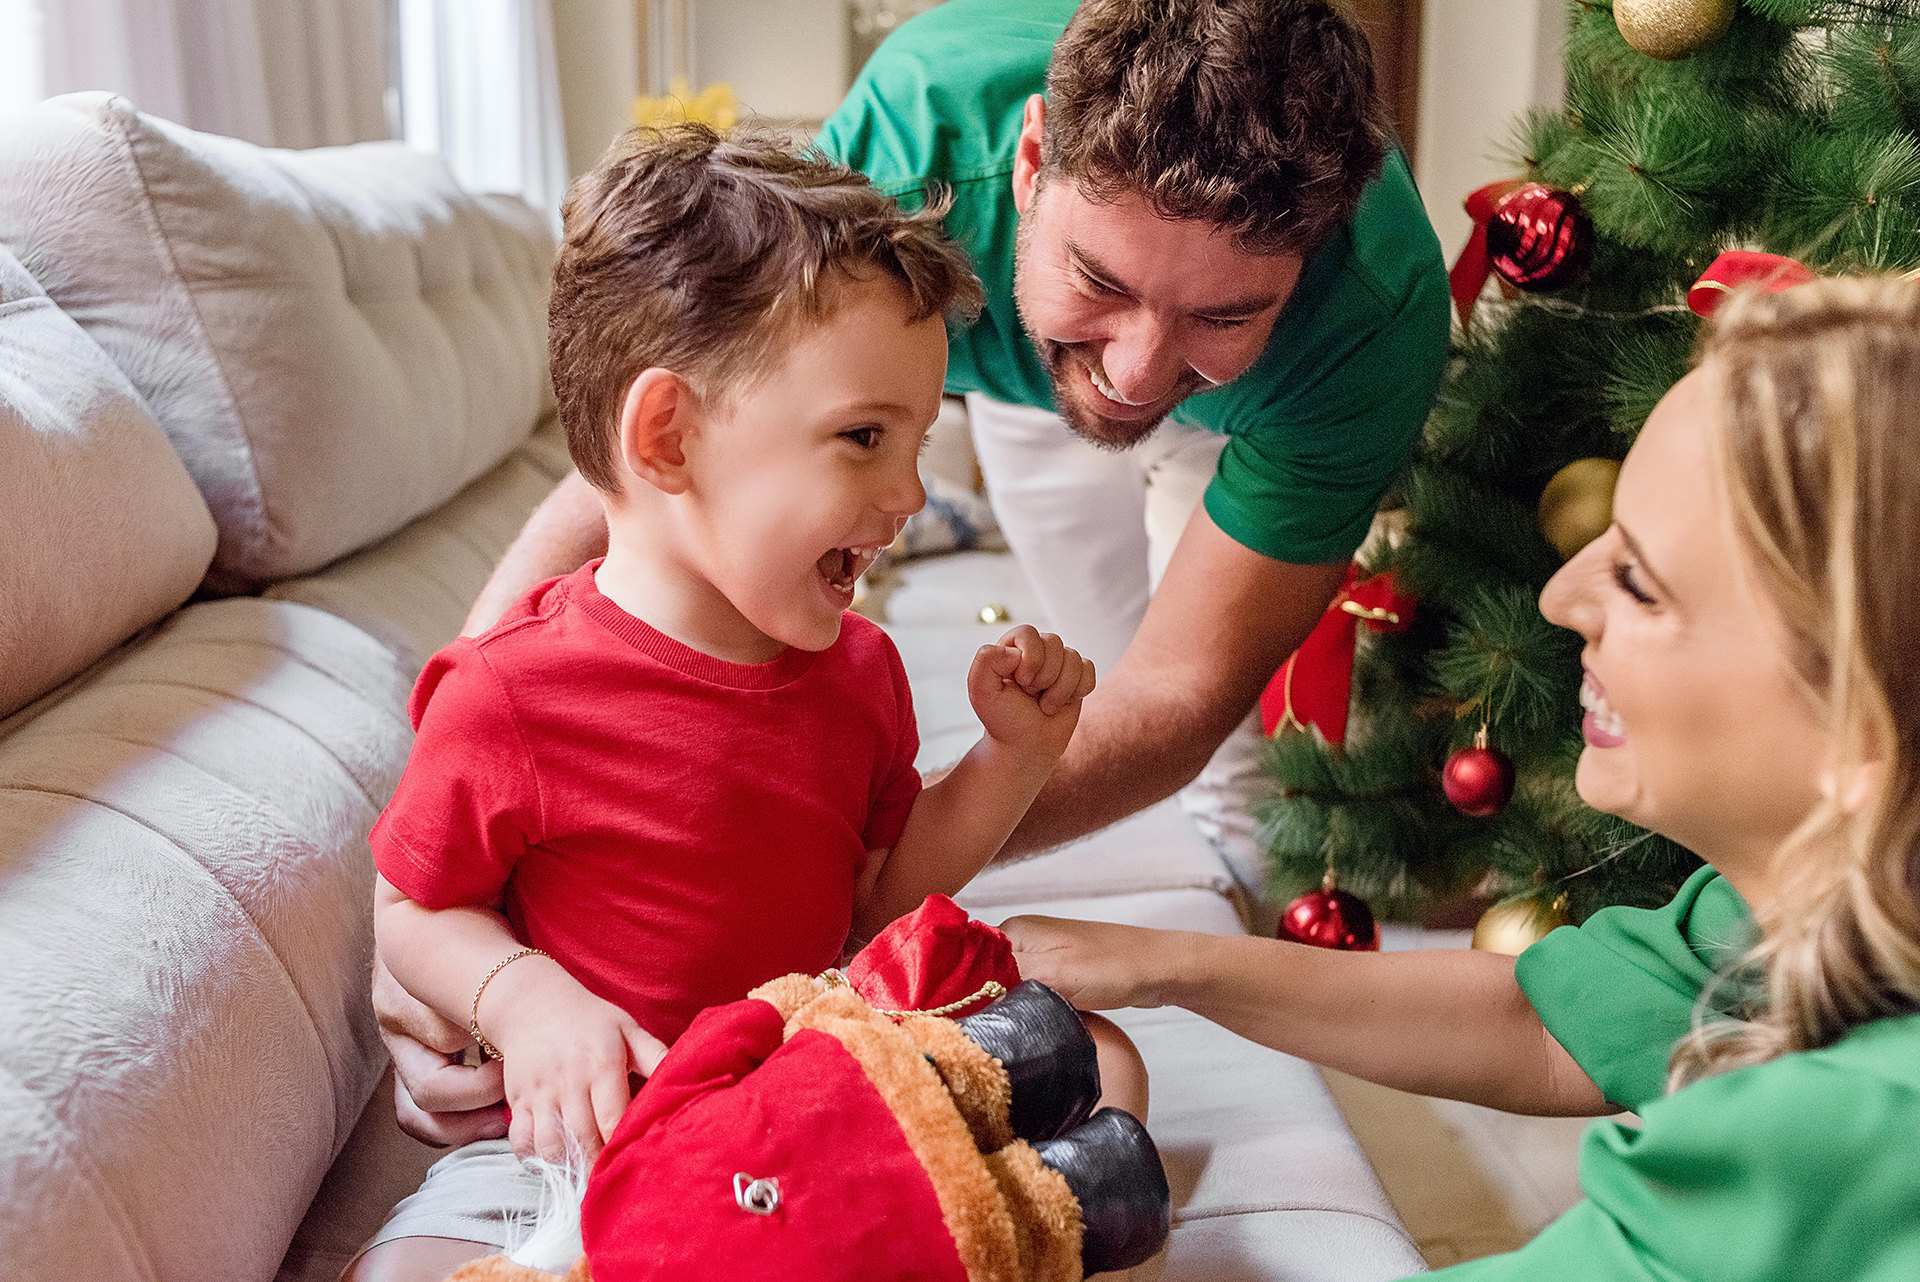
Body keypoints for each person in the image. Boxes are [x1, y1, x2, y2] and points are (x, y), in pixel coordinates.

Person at [381, 0, 1448, 1158]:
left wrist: (945, 789)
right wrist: (467, 959)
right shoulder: (914, 144)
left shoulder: (1372, 314)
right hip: (1000, 347)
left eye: (1222, 311)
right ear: (1032, 163)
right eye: (1102, 278)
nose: (1138, 372)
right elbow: (667, 429)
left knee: (1114, 1005)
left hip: (1239, 414)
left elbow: (1175, 692)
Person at [1005, 275, 1920, 1279]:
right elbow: (1545, 1024)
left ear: (1855, 734)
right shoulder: (1797, 907)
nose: (1565, 595)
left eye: (1639, 582)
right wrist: (1162, 964)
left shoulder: (1830, 1134)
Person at [347, 125, 1130, 1282]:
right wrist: (526, 1003)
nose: (910, 493)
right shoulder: (510, 691)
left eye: (916, 440)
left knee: (1102, 1066)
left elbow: (872, 905)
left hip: (813, 1097)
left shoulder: (858, 671)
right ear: (666, 437)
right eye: (864, 438)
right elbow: (414, 914)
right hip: (591, 1131)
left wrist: (1012, 758)